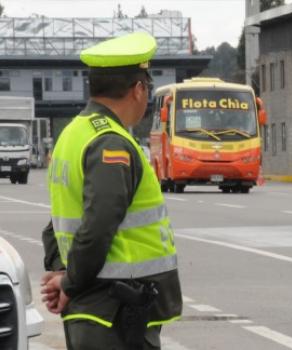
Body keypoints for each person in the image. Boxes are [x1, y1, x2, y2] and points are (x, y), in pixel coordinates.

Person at [40, 32, 182, 349]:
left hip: (95, 310)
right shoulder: (112, 144)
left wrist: (62, 272)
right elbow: (98, 224)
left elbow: (57, 222)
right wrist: (69, 281)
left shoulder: (72, 134)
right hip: (117, 313)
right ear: (138, 89)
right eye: (148, 89)